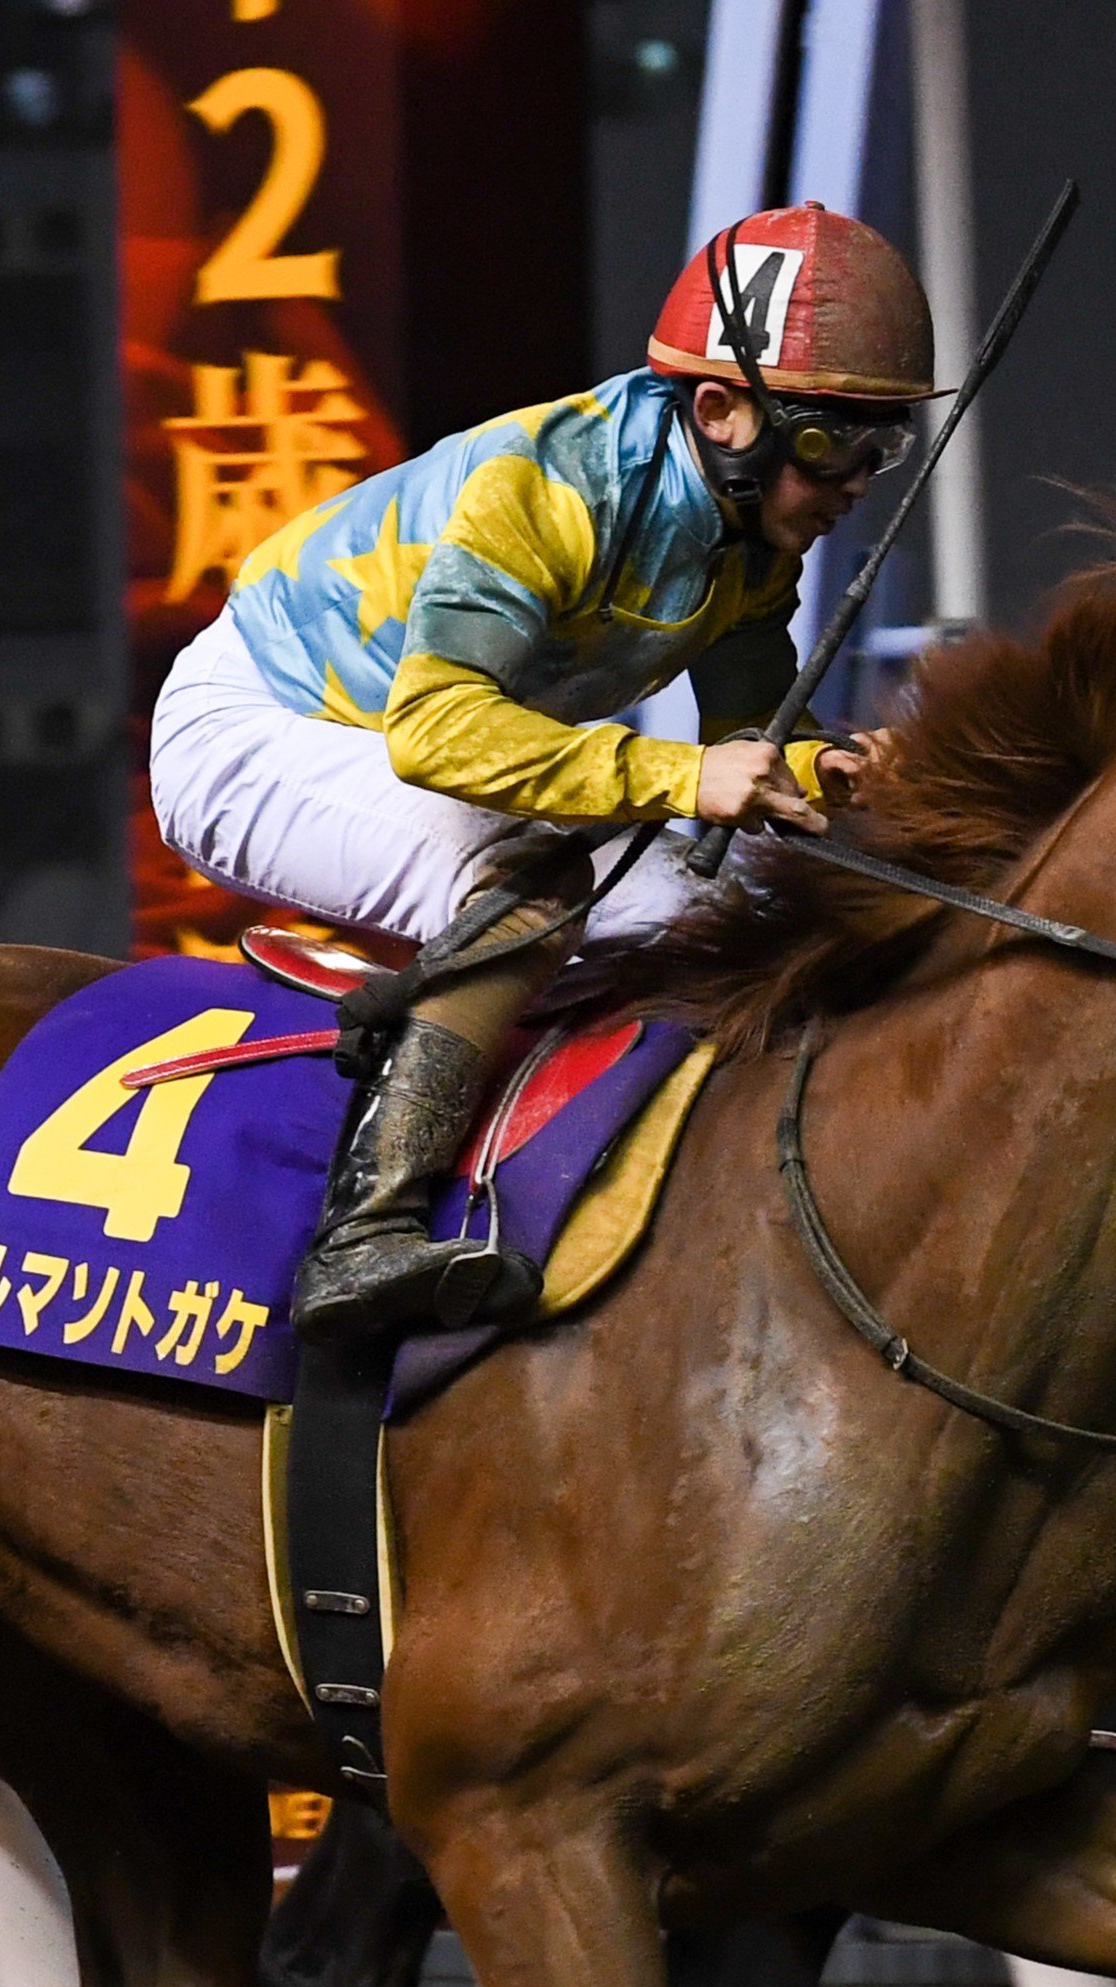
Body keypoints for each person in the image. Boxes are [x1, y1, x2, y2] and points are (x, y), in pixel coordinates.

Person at [151, 204, 935, 1340]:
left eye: (880, 446)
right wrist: (681, 776)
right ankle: (365, 1232)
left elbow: (753, 738)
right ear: (719, 410)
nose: (853, 481)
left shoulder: (753, 529)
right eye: (828, 442)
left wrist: (836, 771)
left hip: (439, 743)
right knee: (531, 877)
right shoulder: (547, 486)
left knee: (721, 902)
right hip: (259, 727)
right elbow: (437, 732)